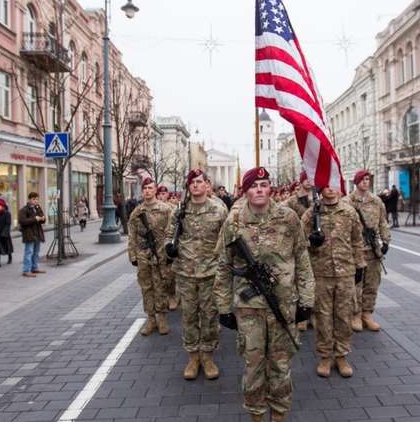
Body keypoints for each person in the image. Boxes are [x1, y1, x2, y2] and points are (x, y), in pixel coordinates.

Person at [214, 167, 314, 422]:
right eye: (253, 186)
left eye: (264, 184)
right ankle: (257, 415)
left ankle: (279, 414)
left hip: (283, 304)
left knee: (281, 364)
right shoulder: (234, 222)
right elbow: (224, 266)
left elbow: (302, 260)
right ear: (245, 191)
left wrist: (307, 301)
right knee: (254, 365)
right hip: (249, 309)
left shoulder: (288, 218)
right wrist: (223, 308)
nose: (259, 190)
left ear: (270, 188)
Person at [167, 169, 228, 381]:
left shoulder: (219, 209)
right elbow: (169, 234)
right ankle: (193, 357)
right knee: (189, 316)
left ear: (206, 184)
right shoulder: (180, 211)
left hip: (211, 272)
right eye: (192, 182)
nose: (195, 185)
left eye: (199, 181)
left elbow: (227, 239)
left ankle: (207, 356)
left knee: (210, 316)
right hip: (185, 273)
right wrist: (169, 247)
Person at [301, 183, 365, 378]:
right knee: (323, 317)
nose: (330, 188)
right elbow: (298, 242)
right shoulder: (311, 214)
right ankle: (325, 356)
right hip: (320, 273)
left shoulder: (349, 212)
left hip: (345, 272)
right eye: (325, 185)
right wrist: (311, 242)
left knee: (344, 316)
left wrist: (360, 265)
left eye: (333, 184)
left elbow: (357, 240)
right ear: (320, 189)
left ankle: (341, 355)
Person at [343, 170, 391, 333]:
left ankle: (367, 314)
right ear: (356, 182)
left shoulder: (376, 201)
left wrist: (385, 241)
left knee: (372, 284)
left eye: (367, 179)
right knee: (356, 285)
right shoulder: (347, 202)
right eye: (362, 179)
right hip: (355, 251)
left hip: (372, 250)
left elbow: (383, 222)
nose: (365, 182)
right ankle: (355, 315)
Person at [128, 178, 173, 336]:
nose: (147, 191)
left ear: (155, 190)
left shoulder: (165, 209)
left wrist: (170, 252)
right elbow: (132, 234)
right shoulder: (137, 212)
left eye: (150, 188)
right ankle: (151, 319)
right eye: (145, 188)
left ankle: (162, 318)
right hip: (143, 254)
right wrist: (133, 255)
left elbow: (172, 231)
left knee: (160, 286)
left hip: (160, 253)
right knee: (146, 287)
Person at [18, 192, 46, 278]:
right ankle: (26, 270)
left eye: (37, 199)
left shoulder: (37, 208)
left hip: (37, 233)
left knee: (36, 252)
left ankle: (34, 268)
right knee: (29, 252)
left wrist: (42, 218)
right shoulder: (24, 210)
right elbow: (22, 221)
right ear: (29, 199)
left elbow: (42, 220)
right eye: (34, 199)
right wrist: (35, 219)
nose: (36, 201)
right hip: (29, 234)